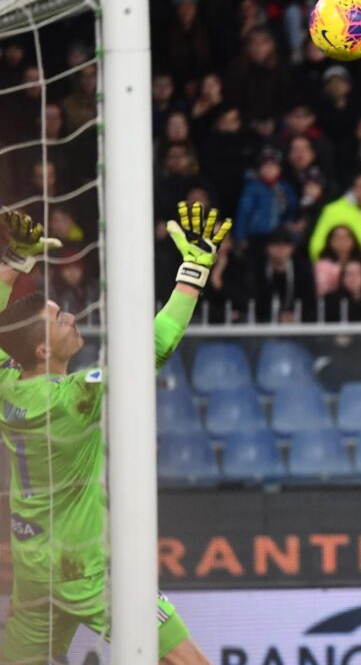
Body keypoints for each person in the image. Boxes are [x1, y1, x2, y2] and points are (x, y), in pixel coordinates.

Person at [0, 205, 228, 662]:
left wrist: (12, 267)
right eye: (59, 317)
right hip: (88, 571)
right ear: (43, 349)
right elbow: (154, 347)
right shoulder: (73, 399)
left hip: (33, 575)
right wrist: (192, 275)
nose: (71, 317)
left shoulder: (7, 379)